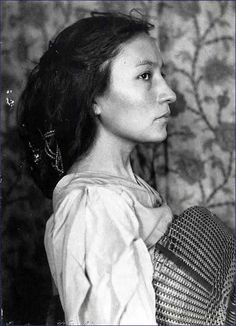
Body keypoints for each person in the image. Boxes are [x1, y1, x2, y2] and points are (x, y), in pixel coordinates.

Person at [17, 11, 235, 326]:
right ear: (94, 98)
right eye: (145, 76)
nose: (169, 94)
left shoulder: (127, 190)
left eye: (162, 74)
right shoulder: (94, 206)